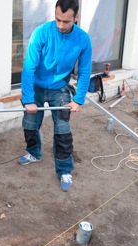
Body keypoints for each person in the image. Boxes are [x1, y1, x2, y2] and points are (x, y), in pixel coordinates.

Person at [18, 0, 92, 192]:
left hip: (60, 87)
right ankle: (34, 153)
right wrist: (28, 99)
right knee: (30, 124)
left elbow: (84, 72)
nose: (60, 25)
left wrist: (78, 99)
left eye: (66, 21)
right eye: (58, 19)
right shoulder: (42, 32)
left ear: (76, 17)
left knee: (63, 130)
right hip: (36, 84)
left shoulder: (83, 39)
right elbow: (28, 68)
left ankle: (64, 169)